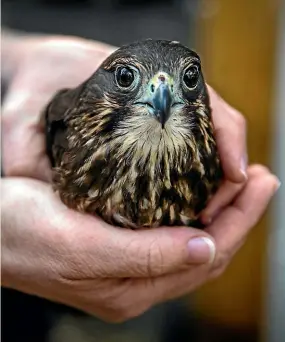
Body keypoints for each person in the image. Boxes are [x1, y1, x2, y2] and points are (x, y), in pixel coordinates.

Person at [1, 31, 280, 323]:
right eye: (125, 78)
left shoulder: (208, 161)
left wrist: (15, 56)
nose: (163, 94)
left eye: (188, 80)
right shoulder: (63, 126)